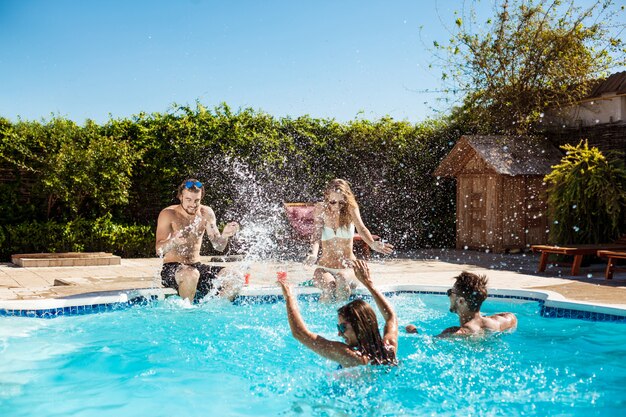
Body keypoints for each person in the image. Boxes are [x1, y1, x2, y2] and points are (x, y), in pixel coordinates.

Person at [277, 260, 398, 368]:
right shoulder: (389, 348)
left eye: (342, 327)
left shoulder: (352, 356)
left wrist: (289, 296)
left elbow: (300, 333)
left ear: (360, 327)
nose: (339, 333)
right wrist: (368, 283)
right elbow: (391, 317)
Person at [304, 179, 394, 302]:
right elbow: (316, 234)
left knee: (341, 278)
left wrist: (372, 243)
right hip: (325, 267)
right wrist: (313, 254)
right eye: (333, 202)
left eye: (341, 202)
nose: (337, 206)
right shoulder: (320, 209)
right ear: (327, 197)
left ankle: (343, 316)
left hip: (348, 268)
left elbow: (361, 228)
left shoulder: (351, 208)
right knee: (329, 287)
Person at [155, 178, 242, 302]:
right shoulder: (168, 214)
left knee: (235, 277)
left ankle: (217, 310)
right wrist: (173, 241)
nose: (193, 205)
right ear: (180, 197)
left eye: (197, 200)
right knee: (191, 274)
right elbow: (159, 250)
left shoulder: (206, 213)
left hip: (197, 267)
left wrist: (225, 236)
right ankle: (187, 316)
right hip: (172, 269)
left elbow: (219, 246)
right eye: (188, 200)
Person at [436, 271, 518, 337]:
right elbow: (512, 317)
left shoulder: (452, 333)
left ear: (461, 301)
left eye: (450, 292)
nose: (449, 296)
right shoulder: (497, 323)